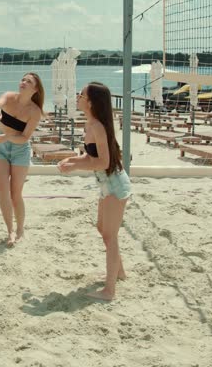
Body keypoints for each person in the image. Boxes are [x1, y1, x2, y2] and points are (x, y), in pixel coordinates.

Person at [57, 82, 132, 301]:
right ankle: (119, 273)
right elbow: (91, 157)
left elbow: (103, 162)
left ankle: (109, 291)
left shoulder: (97, 126)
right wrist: (71, 159)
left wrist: (76, 166)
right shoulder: (90, 124)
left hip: (115, 185)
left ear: (90, 102)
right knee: (103, 229)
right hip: (106, 185)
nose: (78, 97)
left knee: (110, 236)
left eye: (81, 94)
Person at [0, 72, 44, 247]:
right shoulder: (9, 96)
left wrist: (7, 137)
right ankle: (10, 231)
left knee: (15, 194)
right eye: (22, 79)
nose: (23, 82)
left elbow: (25, 137)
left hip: (20, 150)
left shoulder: (35, 112)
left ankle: (20, 228)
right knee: (2, 190)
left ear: (35, 89)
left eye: (28, 81)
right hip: (0, 147)